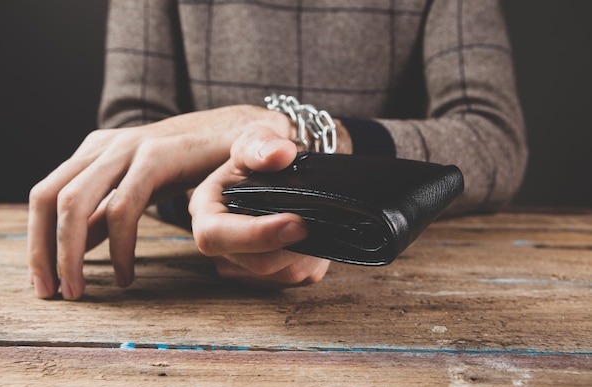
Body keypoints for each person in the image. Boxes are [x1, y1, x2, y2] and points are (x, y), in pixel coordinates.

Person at [28, 0, 527, 300]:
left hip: (398, 259)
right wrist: (220, 203)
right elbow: (134, 134)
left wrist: (288, 134)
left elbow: (492, 138)